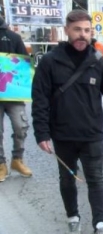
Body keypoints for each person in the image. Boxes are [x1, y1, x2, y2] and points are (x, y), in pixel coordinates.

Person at [31, 10, 103, 234]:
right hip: (62, 134)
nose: (82, 35)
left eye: (87, 30)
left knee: (96, 178)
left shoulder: (97, 61)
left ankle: (100, 226)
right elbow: (40, 100)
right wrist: (42, 134)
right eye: (77, 30)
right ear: (67, 30)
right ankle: (73, 219)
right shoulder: (50, 62)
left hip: (92, 134)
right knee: (67, 179)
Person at [0, 16, 32, 182]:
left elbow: (24, 64)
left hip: (12, 92)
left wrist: (24, 88)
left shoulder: (13, 37)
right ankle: (1, 164)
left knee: (21, 126)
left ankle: (17, 159)